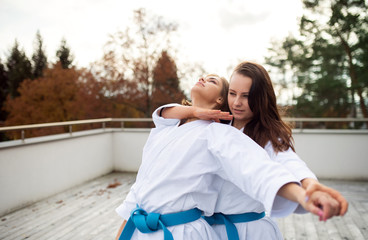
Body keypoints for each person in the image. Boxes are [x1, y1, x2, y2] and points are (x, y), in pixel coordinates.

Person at [115, 74, 338, 240]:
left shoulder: (219, 133)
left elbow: (260, 168)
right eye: (234, 93)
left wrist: (305, 192)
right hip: (143, 230)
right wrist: (124, 228)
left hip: (184, 231)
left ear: (220, 101)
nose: (238, 101)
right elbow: (141, 185)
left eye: (212, 81)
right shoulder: (166, 130)